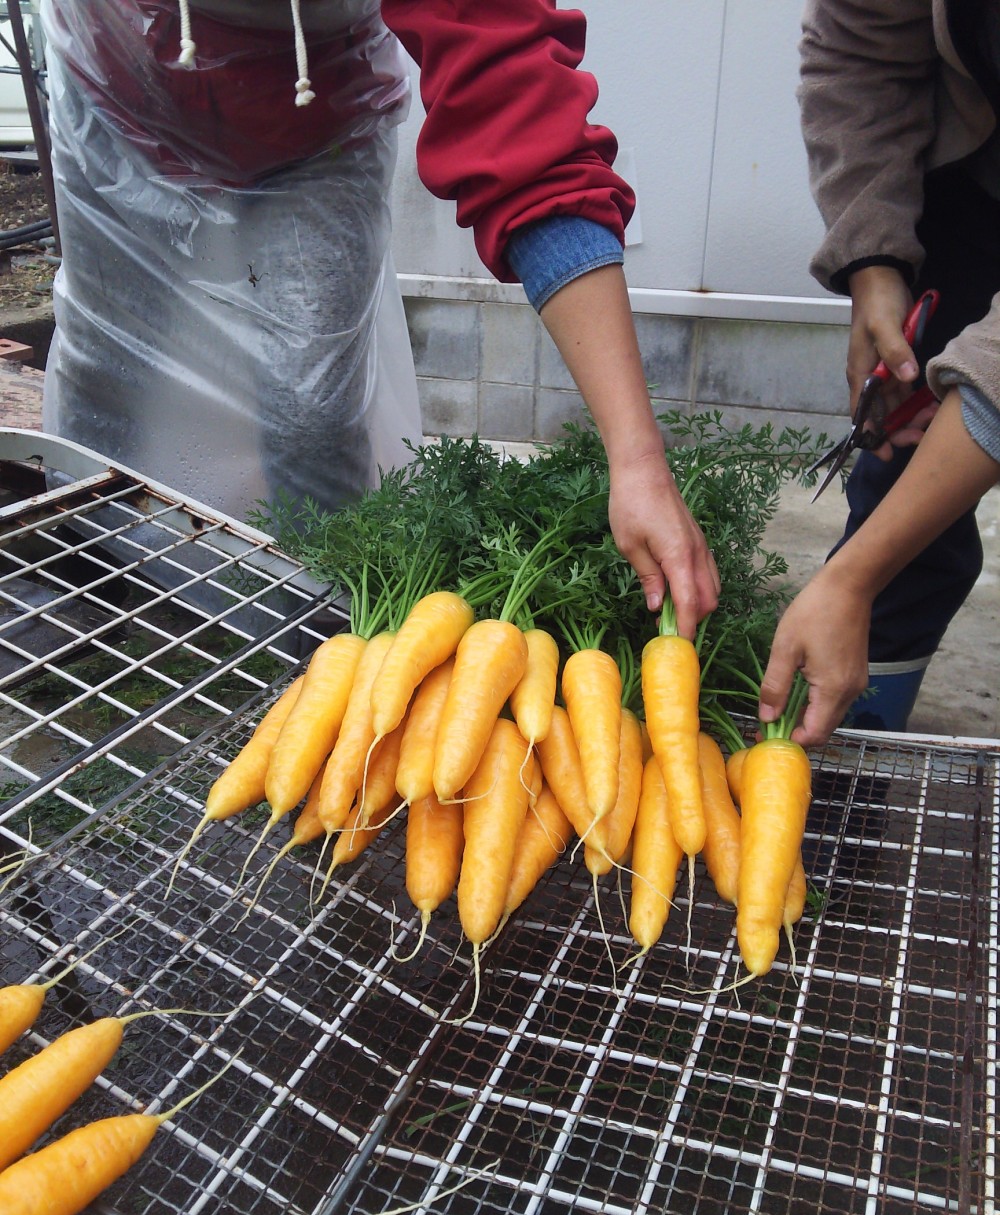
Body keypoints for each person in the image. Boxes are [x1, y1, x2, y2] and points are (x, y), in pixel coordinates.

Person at [38, 0, 719, 641]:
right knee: (108, 367)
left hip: (312, 128)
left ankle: (319, 636)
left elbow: (514, 111)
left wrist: (636, 455)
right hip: (114, 100)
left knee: (312, 413)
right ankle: (85, 587)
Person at [759, 0, 1000, 746]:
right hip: (975, 165)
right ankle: (851, 737)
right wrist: (874, 262)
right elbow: (859, 46)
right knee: (901, 490)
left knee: (871, 563)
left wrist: (849, 578)